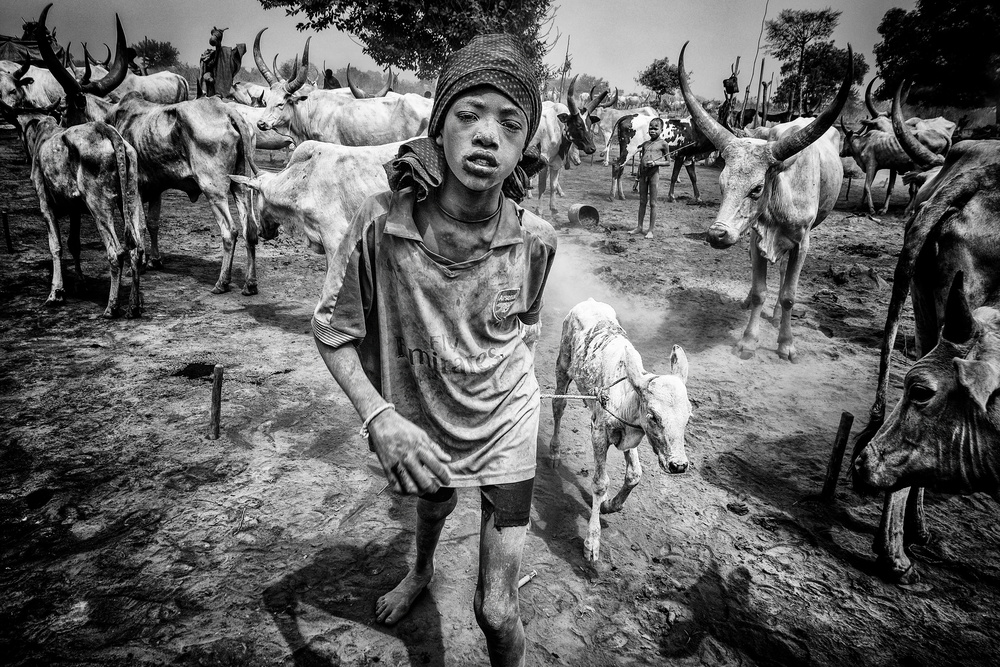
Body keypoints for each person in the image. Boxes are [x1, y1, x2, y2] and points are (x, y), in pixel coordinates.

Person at [312, 33, 556, 667]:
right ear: (438, 123)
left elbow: (522, 324)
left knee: (496, 612)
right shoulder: (380, 222)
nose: (486, 135)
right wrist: (379, 417)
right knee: (435, 501)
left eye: (508, 122)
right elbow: (331, 330)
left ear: (523, 146)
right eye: (468, 115)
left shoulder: (537, 241)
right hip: (420, 419)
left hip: (506, 424)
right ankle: (419, 572)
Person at [630, 116, 671, 239]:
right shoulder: (646, 144)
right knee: (642, 201)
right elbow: (641, 162)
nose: (652, 131)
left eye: (656, 128)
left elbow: (668, 162)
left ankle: (651, 230)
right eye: (651, 128)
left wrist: (655, 163)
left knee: (653, 203)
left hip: (654, 175)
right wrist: (636, 180)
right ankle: (639, 227)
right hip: (643, 175)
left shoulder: (663, 144)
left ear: (661, 130)